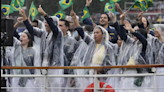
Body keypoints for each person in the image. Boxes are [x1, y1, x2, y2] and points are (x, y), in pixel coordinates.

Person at [19, 6, 64, 92]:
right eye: (45, 22)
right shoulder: (44, 33)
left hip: (54, 67)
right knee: (44, 89)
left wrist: (44, 14)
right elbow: (31, 30)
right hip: (43, 66)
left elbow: (54, 28)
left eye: (47, 23)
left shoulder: (58, 34)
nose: (45, 24)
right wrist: (24, 17)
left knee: (55, 89)